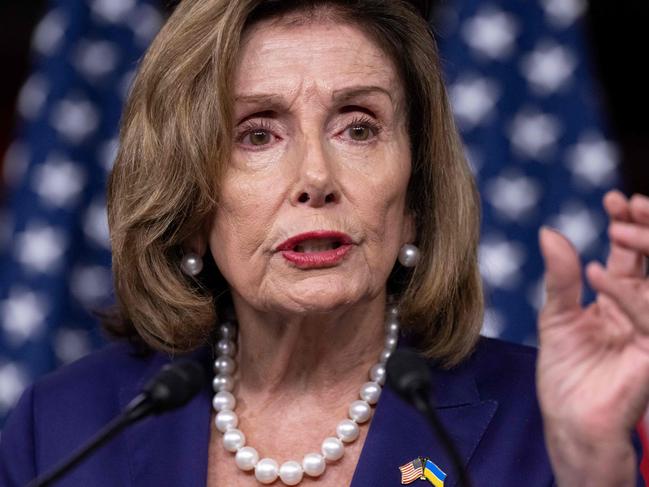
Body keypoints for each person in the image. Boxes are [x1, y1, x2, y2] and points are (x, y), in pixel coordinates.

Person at [0, 0, 647, 485]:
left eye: (358, 128)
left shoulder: (541, 423)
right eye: (256, 134)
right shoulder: (61, 429)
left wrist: (593, 465)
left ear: (416, 197)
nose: (315, 177)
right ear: (189, 198)